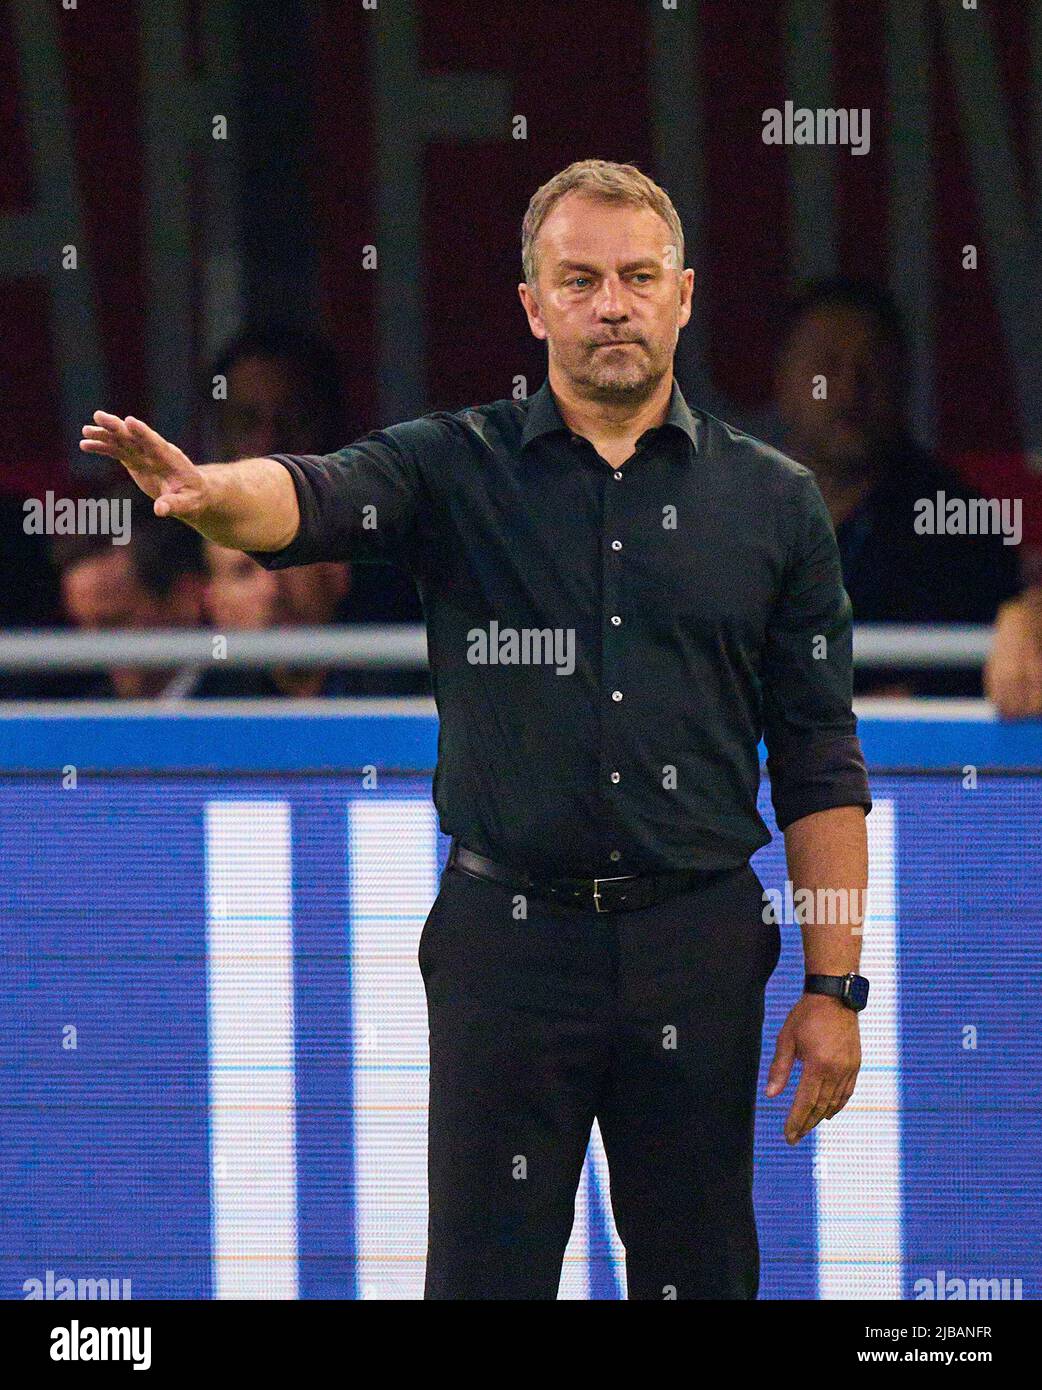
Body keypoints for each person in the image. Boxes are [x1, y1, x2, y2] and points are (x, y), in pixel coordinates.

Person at [80, 158, 872, 1300]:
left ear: (683, 295)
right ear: (531, 304)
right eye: (581, 278)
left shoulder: (772, 503)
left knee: (701, 1281)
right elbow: (313, 494)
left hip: (696, 949)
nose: (612, 302)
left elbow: (817, 759)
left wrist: (834, 986)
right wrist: (212, 494)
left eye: (638, 276)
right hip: (508, 948)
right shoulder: (456, 465)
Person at [773, 277, 1022, 696]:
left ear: (903, 381)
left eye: (872, 366)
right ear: (782, 379)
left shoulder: (959, 524)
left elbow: (963, 690)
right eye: (829, 365)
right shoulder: (727, 515)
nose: (851, 389)